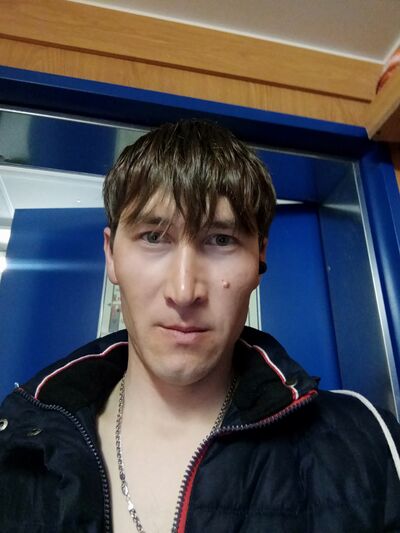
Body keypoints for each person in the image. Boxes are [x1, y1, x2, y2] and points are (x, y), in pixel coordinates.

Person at [0, 119, 399, 533]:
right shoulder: (13, 447)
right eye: (154, 237)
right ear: (111, 256)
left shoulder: (370, 444)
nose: (184, 291)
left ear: (260, 257)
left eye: (221, 240)